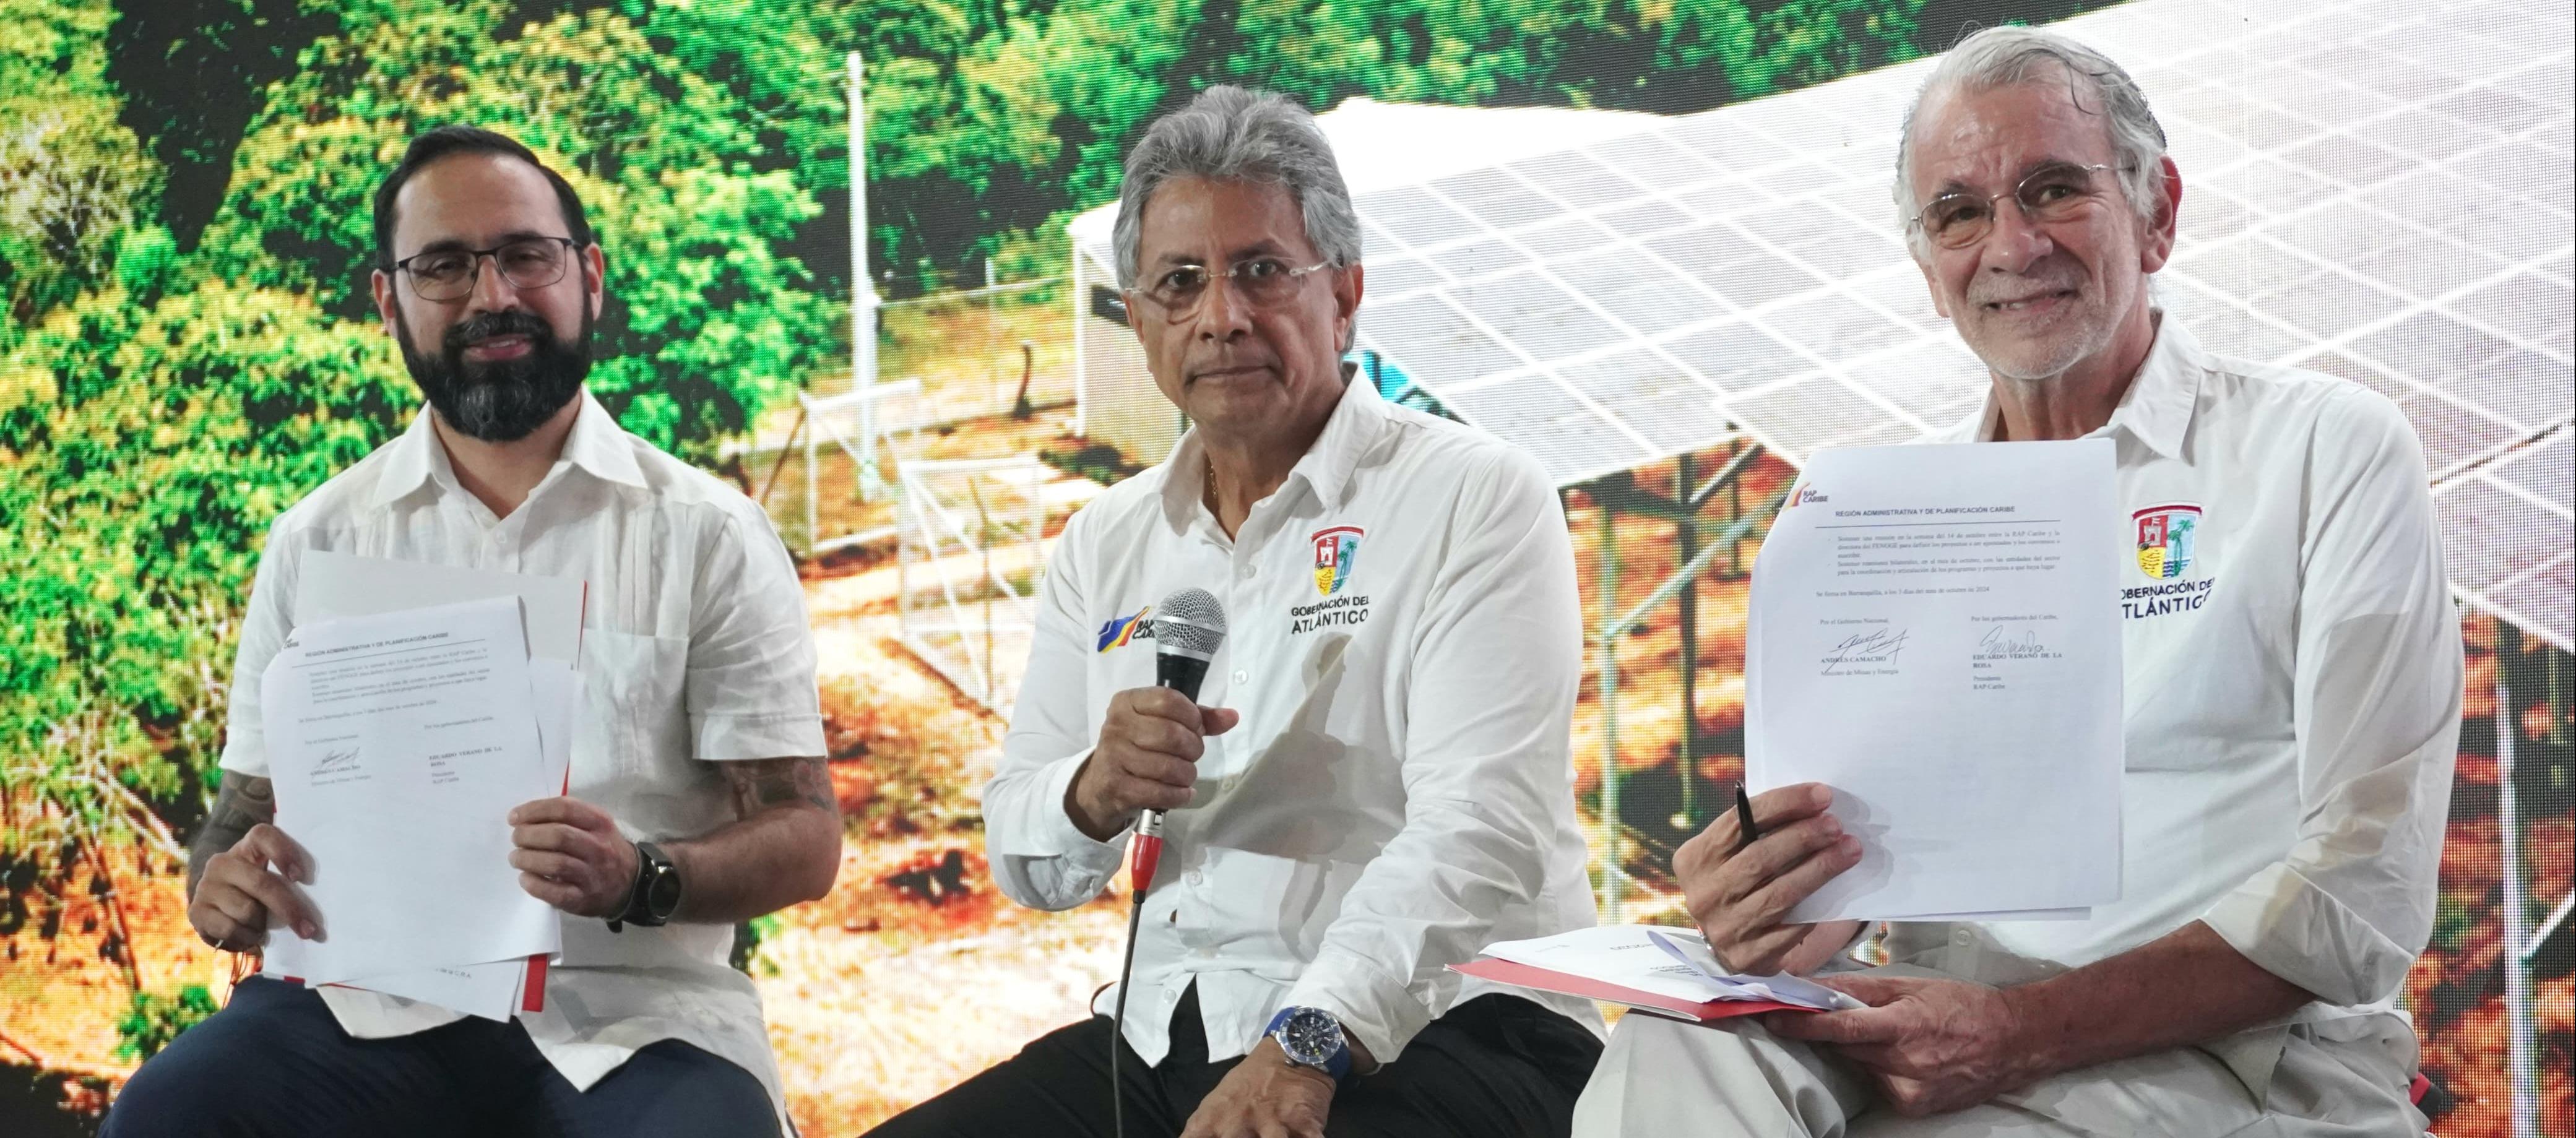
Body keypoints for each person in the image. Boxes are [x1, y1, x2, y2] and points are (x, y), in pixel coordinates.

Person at [1574, 25, 2462, 1138]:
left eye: (2052, 189)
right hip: (1934, 1035)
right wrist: (1765, 905)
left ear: (2158, 213)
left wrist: (2020, 1030)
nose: (2011, 244)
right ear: (1927, 265)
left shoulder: (2321, 450)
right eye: (1958, 212)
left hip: (2232, 1066)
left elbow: (2363, 884)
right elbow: (1853, 884)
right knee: (1670, 1046)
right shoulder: (1886, 517)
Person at [867, 87, 1606, 1138]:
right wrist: (1092, 790)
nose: (1221, 315)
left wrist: (1307, 1041)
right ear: (1140, 322)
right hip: (1170, 1032)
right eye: (1180, 283)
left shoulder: (1472, 495)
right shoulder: (1104, 541)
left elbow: (1479, 832)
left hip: (1454, 1026)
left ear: (1343, 294)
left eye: (1261, 270)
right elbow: (1025, 861)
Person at [105, 125, 840, 1137]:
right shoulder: (318, 540)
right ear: (387, 300)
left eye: (525, 255)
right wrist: (219, 888)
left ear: (588, 275)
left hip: (635, 1022)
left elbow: (804, 838)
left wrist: (642, 875)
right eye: (444, 264)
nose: (492, 294)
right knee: (168, 1117)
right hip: (350, 1009)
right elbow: (237, 825)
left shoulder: (707, 534)